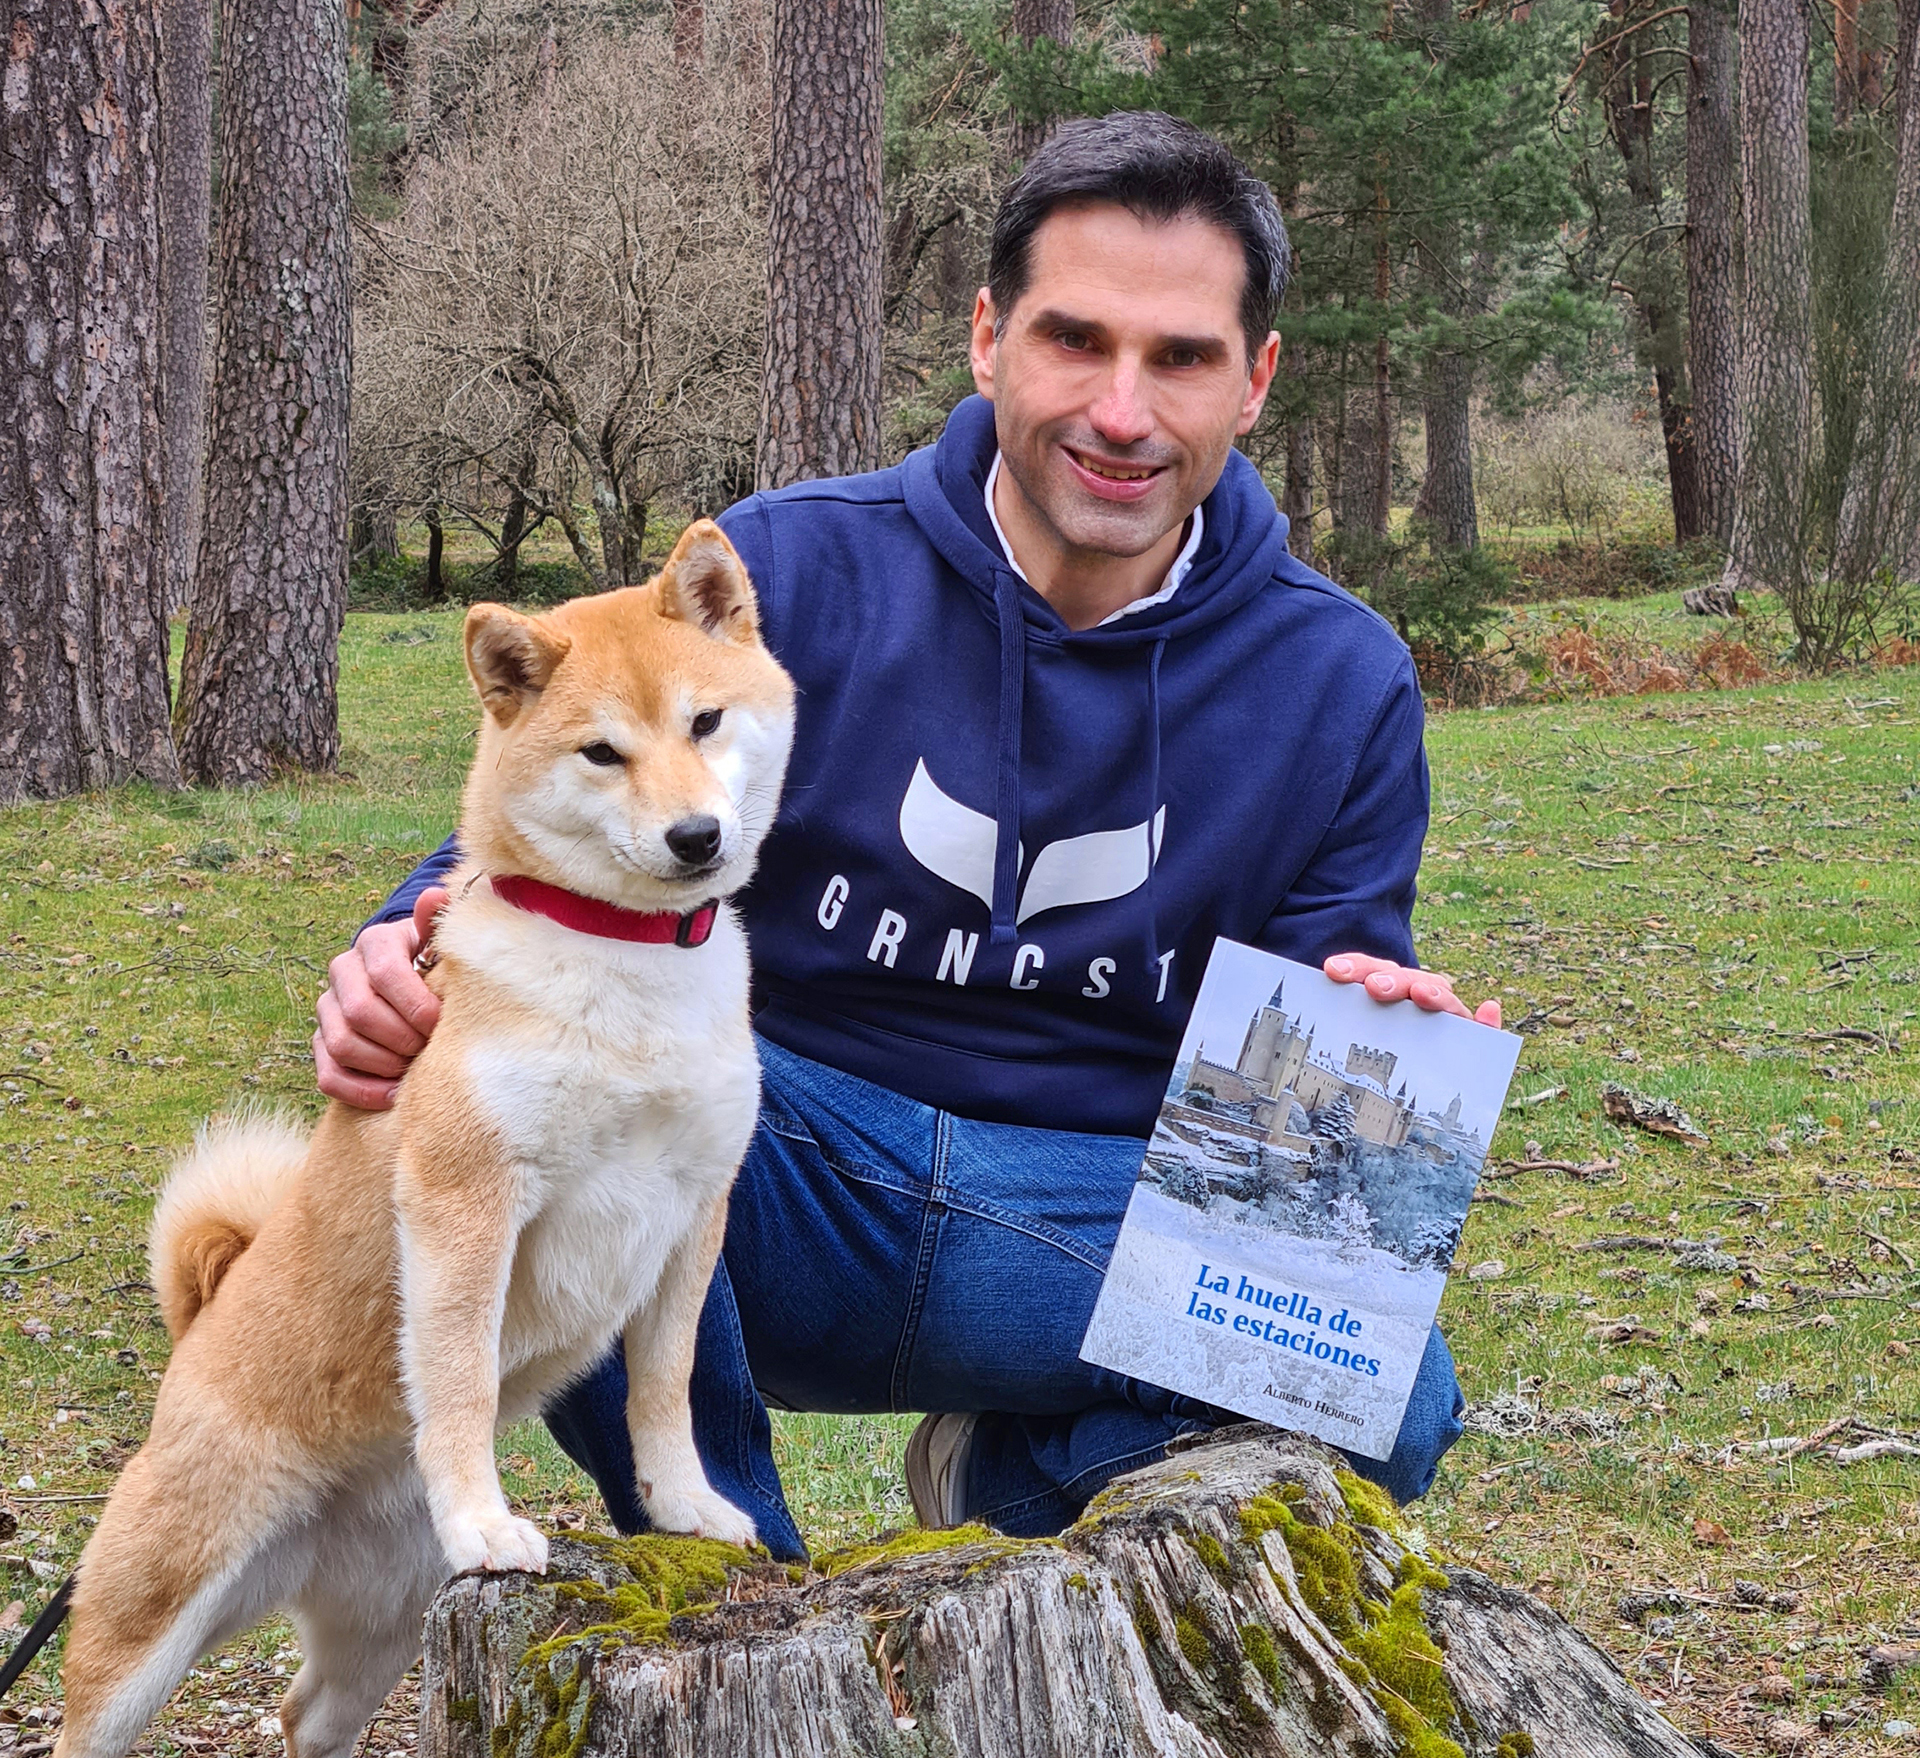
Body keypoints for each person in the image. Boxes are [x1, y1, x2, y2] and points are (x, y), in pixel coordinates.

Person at [316, 112, 1500, 1564]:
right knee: (550, 1124)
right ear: (988, 334)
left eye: (1180, 356)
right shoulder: (792, 567)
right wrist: (395, 948)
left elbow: (1318, 1075)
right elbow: (551, 797)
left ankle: (1004, 1490)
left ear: (1255, 379)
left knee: (1397, 1392)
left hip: (1082, 1217)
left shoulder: (1345, 681)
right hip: (785, 1177)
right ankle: (735, 1575)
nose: (1121, 410)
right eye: (1076, 339)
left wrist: (1375, 1033)